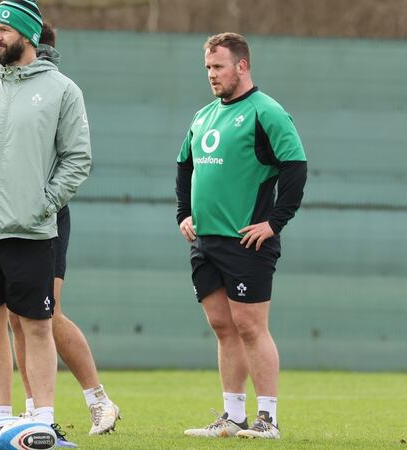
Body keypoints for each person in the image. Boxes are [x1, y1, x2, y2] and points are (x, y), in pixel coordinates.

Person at [0, 0, 91, 447]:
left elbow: (77, 158)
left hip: (30, 231)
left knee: (36, 324)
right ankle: (2, 422)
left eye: (4, 30)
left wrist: (43, 204)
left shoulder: (63, 91)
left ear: (26, 35)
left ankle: (42, 421)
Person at [176, 32, 307, 439]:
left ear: (242, 66)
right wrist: (184, 213)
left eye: (218, 67)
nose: (212, 75)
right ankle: (232, 417)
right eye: (208, 68)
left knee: (251, 327)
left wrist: (274, 223)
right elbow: (185, 165)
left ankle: (268, 419)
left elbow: (295, 167)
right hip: (206, 240)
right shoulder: (203, 116)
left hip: (247, 240)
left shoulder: (267, 112)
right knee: (222, 326)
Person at [7, 21, 120, 437]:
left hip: (44, 215)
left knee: (43, 314)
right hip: (6, 216)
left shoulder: (54, 89)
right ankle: (33, 410)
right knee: (16, 319)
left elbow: (74, 158)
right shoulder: (6, 85)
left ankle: (99, 400)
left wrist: (45, 203)